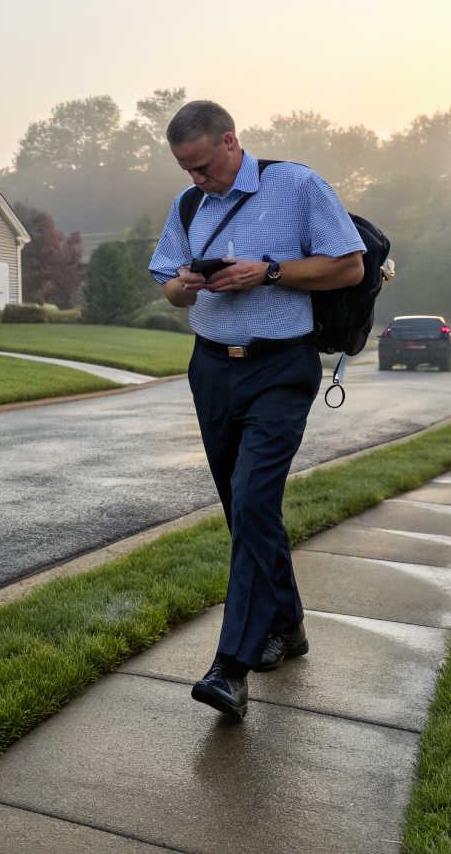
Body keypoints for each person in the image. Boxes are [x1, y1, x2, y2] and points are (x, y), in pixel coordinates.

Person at [148, 100, 365, 718]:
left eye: (202, 166)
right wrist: (184, 284)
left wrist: (266, 272)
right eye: (184, 169)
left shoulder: (296, 183)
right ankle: (288, 626)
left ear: (230, 141)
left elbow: (347, 267)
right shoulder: (190, 205)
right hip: (212, 368)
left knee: (251, 500)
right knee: (244, 509)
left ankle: (231, 667)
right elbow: (167, 286)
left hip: (280, 366)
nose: (196, 179)